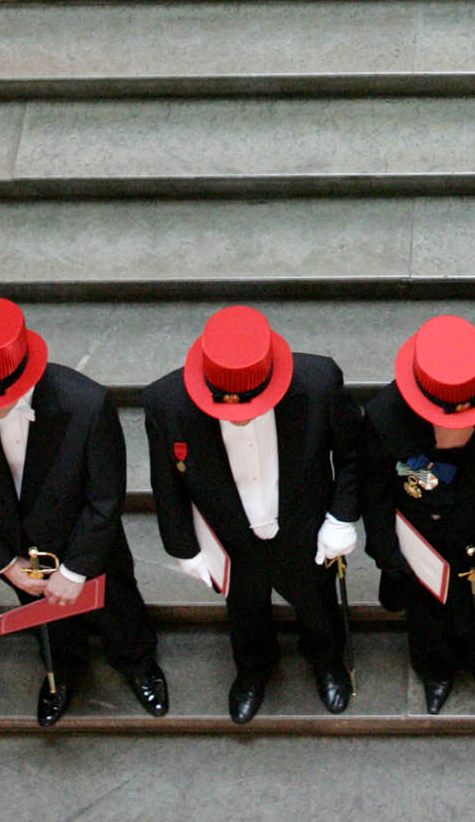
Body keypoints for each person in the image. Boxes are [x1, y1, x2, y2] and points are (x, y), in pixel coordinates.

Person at [0, 297, 167, 728]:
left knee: (120, 613)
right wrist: (5, 564)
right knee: (52, 630)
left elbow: (105, 498)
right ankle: (64, 673)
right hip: (18, 554)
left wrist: (75, 572)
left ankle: (139, 665)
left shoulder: (87, 405)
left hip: (87, 546)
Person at [142, 306, 361, 724]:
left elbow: (352, 456)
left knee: (318, 603)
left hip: (303, 529)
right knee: (244, 609)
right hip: (230, 538)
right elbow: (166, 483)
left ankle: (327, 660)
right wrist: (185, 550)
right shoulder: (166, 404)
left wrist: (341, 516)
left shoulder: (318, 384)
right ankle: (253, 669)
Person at [363, 316, 475, 713]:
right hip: (423, 536)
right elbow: (374, 491)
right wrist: (387, 552)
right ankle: (436, 674)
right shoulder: (383, 415)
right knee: (427, 614)